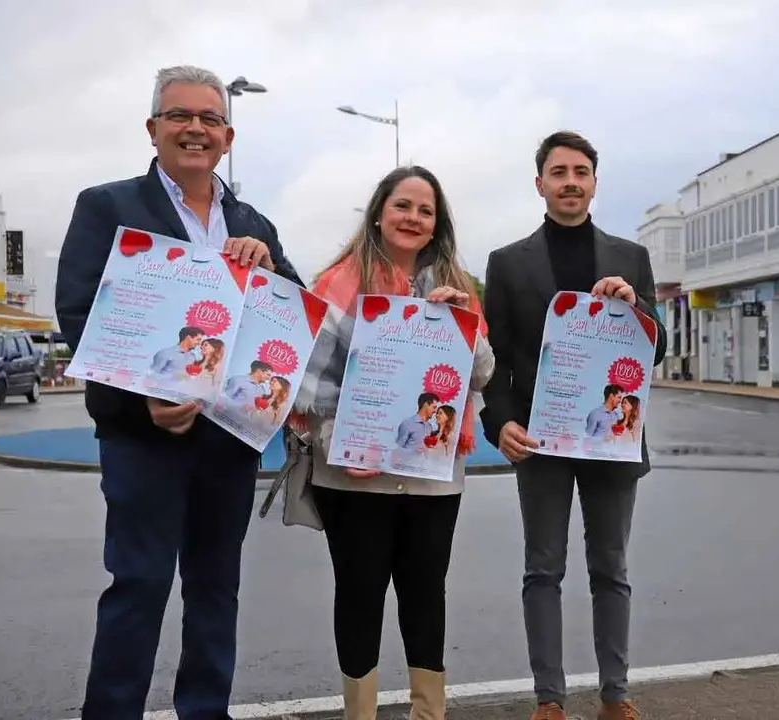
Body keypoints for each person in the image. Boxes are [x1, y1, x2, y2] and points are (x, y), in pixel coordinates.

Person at [55, 65, 302, 720]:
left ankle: (204, 712)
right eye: (179, 116)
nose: (195, 129)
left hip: (229, 441)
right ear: (153, 129)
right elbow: (78, 315)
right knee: (138, 586)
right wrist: (143, 401)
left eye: (209, 119)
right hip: (143, 439)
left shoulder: (253, 222)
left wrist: (271, 269)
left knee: (216, 590)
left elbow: (293, 315)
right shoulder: (107, 207)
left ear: (228, 136)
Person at [291, 165, 494, 720]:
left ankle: (429, 714)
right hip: (352, 475)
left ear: (437, 224)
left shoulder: (456, 284)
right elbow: (306, 384)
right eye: (403, 205)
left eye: (425, 211)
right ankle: (361, 714)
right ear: (379, 212)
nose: (413, 218)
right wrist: (343, 445)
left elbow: (479, 374)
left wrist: (462, 326)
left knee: (426, 596)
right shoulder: (337, 283)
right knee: (359, 597)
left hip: (432, 475)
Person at [480, 131, 667, 720]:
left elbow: (654, 351)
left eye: (580, 171)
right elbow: (497, 357)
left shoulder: (630, 258)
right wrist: (500, 424)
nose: (570, 181)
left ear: (594, 182)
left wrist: (633, 307)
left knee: (611, 567)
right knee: (543, 569)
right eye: (558, 172)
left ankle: (616, 694)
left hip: (613, 439)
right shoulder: (508, 262)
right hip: (542, 439)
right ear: (540, 184)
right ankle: (549, 700)